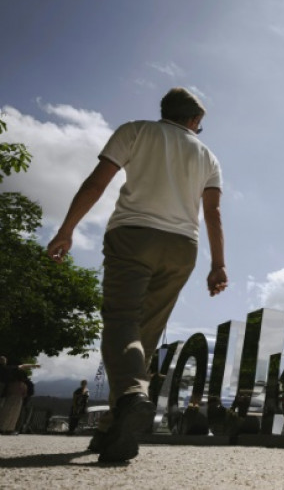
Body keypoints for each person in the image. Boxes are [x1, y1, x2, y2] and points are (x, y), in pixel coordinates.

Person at [46, 87, 228, 462]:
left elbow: (97, 182)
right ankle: (112, 428)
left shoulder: (135, 130)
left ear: (166, 111)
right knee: (142, 338)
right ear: (194, 121)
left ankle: (131, 396)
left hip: (133, 237)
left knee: (120, 322)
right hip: (182, 248)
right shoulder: (207, 155)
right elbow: (212, 213)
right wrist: (218, 264)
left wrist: (66, 229)